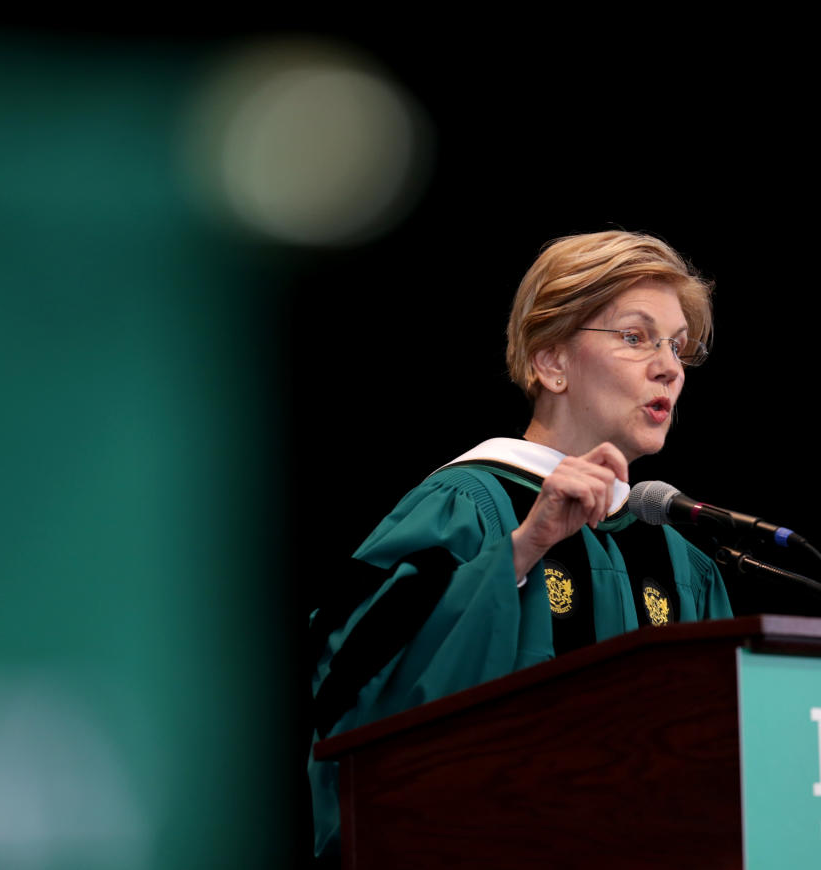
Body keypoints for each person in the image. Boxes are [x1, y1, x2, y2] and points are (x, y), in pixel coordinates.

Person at [306, 229, 734, 861]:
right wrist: (522, 551)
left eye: (678, 345)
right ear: (551, 362)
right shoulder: (470, 509)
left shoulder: (680, 561)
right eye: (636, 337)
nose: (669, 365)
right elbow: (362, 693)